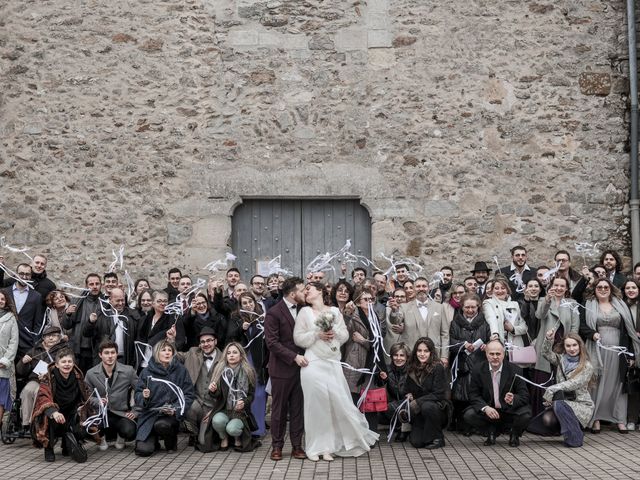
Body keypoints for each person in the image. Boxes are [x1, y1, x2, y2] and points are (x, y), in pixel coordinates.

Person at [293, 282, 378, 461]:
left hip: (331, 362)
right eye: (306, 289)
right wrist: (317, 334)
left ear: (321, 291)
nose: (306, 291)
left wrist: (333, 334)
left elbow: (345, 335)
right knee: (315, 406)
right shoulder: (304, 312)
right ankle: (314, 447)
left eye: (310, 289)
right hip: (313, 363)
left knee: (334, 404)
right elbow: (298, 338)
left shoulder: (334, 311)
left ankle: (328, 447)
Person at [577, 278, 640, 433]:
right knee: (597, 383)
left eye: (606, 286)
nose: (603, 289)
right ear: (595, 289)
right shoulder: (588, 305)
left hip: (618, 351)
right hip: (596, 350)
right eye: (600, 286)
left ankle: (619, 419)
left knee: (618, 384)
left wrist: (631, 355)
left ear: (611, 288)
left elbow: (629, 331)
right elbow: (582, 326)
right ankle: (596, 418)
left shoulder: (621, 305)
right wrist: (592, 335)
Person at [263, 277, 307, 462]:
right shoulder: (274, 313)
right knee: (279, 410)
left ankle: (297, 446)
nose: (304, 293)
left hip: (303, 369)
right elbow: (272, 343)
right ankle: (277, 446)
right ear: (292, 293)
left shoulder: (305, 310)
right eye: (302, 290)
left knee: (298, 408)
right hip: (282, 369)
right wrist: (293, 357)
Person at [528, 332, 594, 447]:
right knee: (547, 419)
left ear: (580, 346)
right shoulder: (561, 359)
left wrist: (552, 389)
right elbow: (545, 353)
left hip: (581, 404)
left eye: (574, 345)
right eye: (568, 346)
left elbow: (573, 384)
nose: (572, 349)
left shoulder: (587, 366)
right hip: (563, 402)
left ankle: (575, 438)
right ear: (564, 347)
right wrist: (549, 339)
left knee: (559, 404)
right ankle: (568, 431)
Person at [31, 347, 97, 463]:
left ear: (73, 363)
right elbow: (43, 398)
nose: (67, 364)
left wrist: (82, 407)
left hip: (71, 413)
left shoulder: (78, 377)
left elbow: (86, 396)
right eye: (63, 362)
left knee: (83, 426)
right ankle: (49, 448)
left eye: (69, 361)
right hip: (54, 414)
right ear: (56, 364)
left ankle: (67, 444)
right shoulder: (48, 378)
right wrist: (54, 412)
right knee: (49, 418)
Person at [463, 340, 532, 447]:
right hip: (490, 410)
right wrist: (485, 408)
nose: (495, 357)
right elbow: (473, 394)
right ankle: (491, 432)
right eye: (491, 354)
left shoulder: (515, 370)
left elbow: (525, 395)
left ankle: (514, 433)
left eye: (498, 354)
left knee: (526, 414)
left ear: (503, 354)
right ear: (486, 354)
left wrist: (514, 398)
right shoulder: (478, 369)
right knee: (469, 415)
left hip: (509, 410)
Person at [134, 340, 195, 456]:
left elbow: (188, 394)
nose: (167, 353)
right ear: (157, 353)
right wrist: (144, 396)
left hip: (170, 415)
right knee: (143, 451)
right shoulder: (147, 372)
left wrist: (176, 409)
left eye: (170, 350)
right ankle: (154, 442)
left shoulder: (181, 370)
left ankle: (171, 443)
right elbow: (137, 394)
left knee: (162, 425)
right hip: (150, 414)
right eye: (163, 350)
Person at [531, 277, 579, 415]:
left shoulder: (572, 303)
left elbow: (575, 327)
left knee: (561, 379)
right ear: (551, 287)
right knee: (544, 379)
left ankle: (560, 417)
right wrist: (547, 299)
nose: (558, 288)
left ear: (566, 288)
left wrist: (571, 345)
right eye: (556, 285)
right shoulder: (543, 300)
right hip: (546, 344)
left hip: (564, 345)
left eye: (562, 286)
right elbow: (539, 315)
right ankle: (541, 417)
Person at [169, 327, 222, 450]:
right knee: (188, 406)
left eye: (209, 340)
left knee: (203, 442)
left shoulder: (224, 358)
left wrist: (215, 410)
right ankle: (193, 432)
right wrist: (171, 340)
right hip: (197, 401)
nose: (206, 344)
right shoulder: (193, 352)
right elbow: (175, 357)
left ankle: (206, 433)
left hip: (213, 406)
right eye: (203, 342)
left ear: (215, 341)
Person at [226, 292, 268, 437]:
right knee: (245, 393)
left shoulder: (262, 317)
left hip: (259, 361)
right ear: (240, 305)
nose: (248, 305)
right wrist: (241, 329)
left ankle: (259, 429)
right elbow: (230, 337)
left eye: (250, 301)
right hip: (244, 360)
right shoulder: (235, 318)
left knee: (260, 394)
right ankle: (245, 428)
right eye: (244, 303)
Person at [85, 340, 138, 450]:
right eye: (106, 353)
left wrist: (135, 411)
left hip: (121, 413)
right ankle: (101, 438)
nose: (110, 356)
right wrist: (97, 401)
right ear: (100, 355)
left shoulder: (128, 371)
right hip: (100, 413)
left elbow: (141, 391)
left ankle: (121, 437)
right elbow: (86, 397)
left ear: (117, 354)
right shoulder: (91, 373)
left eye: (113, 353)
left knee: (130, 430)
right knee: (89, 427)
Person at [448, 293, 491, 432]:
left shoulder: (485, 322)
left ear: (478, 306)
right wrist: (462, 344)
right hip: (462, 365)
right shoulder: (455, 323)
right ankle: (463, 426)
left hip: (480, 363)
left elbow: (491, 339)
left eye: (473, 307)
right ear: (462, 307)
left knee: (479, 395)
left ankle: (478, 426)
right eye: (467, 307)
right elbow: (450, 342)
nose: (470, 310)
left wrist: (487, 346)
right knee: (460, 396)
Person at [208, 342, 261, 452]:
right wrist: (213, 390)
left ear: (241, 356)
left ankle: (237, 438)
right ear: (225, 356)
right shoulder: (220, 371)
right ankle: (224, 438)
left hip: (240, 413)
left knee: (232, 429)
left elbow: (251, 396)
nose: (231, 355)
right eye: (228, 353)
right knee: (217, 421)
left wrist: (244, 402)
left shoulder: (248, 371)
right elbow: (217, 395)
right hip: (224, 409)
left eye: (235, 352)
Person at [16, 325, 68, 434]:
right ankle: (26, 423)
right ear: (43, 338)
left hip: (53, 380)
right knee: (27, 391)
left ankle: (35, 421)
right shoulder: (35, 350)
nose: (51, 338)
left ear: (59, 337)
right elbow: (20, 371)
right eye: (48, 336)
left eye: (54, 336)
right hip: (36, 379)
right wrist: (23, 362)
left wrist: (49, 374)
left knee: (38, 392)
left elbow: (68, 367)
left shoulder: (64, 350)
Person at [387, 277, 450, 365]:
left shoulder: (439, 307)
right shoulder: (404, 307)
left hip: (434, 354)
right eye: (418, 286)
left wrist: (444, 356)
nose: (421, 289)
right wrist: (394, 311)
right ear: (413, 289)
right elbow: (396, 321)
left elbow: (445, 334)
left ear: (429, 288)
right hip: (411, 354)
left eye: (424, 286)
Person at [403, 337, 448, 449]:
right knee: (416, 443)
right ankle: (427, 435)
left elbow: (439, 394)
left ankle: (438, 438)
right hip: (419, 411)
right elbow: (406, 388)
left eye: (426, 351)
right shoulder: (411, 367)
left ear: (431, 352)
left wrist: (417, 401)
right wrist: (408, 394)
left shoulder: (438, 367)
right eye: (419, 351)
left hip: (437, 408)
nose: (422, 354)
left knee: (428, 406)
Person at [83, 287, 140, 368]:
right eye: (117, 300)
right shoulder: (101, 315)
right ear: (110, 300)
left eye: (122, 300)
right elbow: (86, 334)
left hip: (126, 359)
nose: (120, 303)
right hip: (106, 359)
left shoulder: (132, 315)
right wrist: (91, 322)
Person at [63, 273, 103, 373]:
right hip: (79, 348)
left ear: (100, 285)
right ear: (86, 286)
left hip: (96, 347)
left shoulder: (105, 302)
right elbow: (67, 326)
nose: (94, 286)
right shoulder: (77, 300)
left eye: (97, 284)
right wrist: (67, 314)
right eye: (91, 284)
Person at [2, 263, 43, 357]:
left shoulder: (36, 296)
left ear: (31, 276)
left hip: (26, 342)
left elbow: (38, 323)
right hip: (5, 340)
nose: (24, 276)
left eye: (27, 274)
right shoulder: (5, 292)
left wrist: (35, 341)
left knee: (23, 370)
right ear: (16, 274)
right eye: (21, 273)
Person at [482, 278, 528, 350]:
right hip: (498, 342)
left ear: (507, 290)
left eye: (503, 288)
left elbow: (524, 327)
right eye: (496, 288)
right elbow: (491, 319)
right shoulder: (488, 303)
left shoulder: (515, 304)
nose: (500, 291)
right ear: (492, 291)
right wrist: (495, 334)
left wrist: (513, 329)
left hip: (516, 344)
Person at [379, 342, 411, 441]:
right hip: (393, 401)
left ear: (407, 357)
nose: (398, 358)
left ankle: (405, 428)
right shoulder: (387, 369)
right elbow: (381, 387)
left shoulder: (412, 370)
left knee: (391, 407)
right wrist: (383, 379)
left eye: (402, 355)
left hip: (409, 402)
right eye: (395, 355)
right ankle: (398, 424)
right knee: (380, 412)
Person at [0, 290, 19, 432]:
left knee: (1, 398)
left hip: (2, 365)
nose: (0, 301)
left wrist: (5, 360)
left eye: (2, 299)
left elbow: (14, 341)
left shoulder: (11, 318)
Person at [623, 279, 640, 429]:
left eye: (634, 287)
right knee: (632, 386)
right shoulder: (622, 306)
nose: (631, 290)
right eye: (628, 288)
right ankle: (632, 419)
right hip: (629, 348)